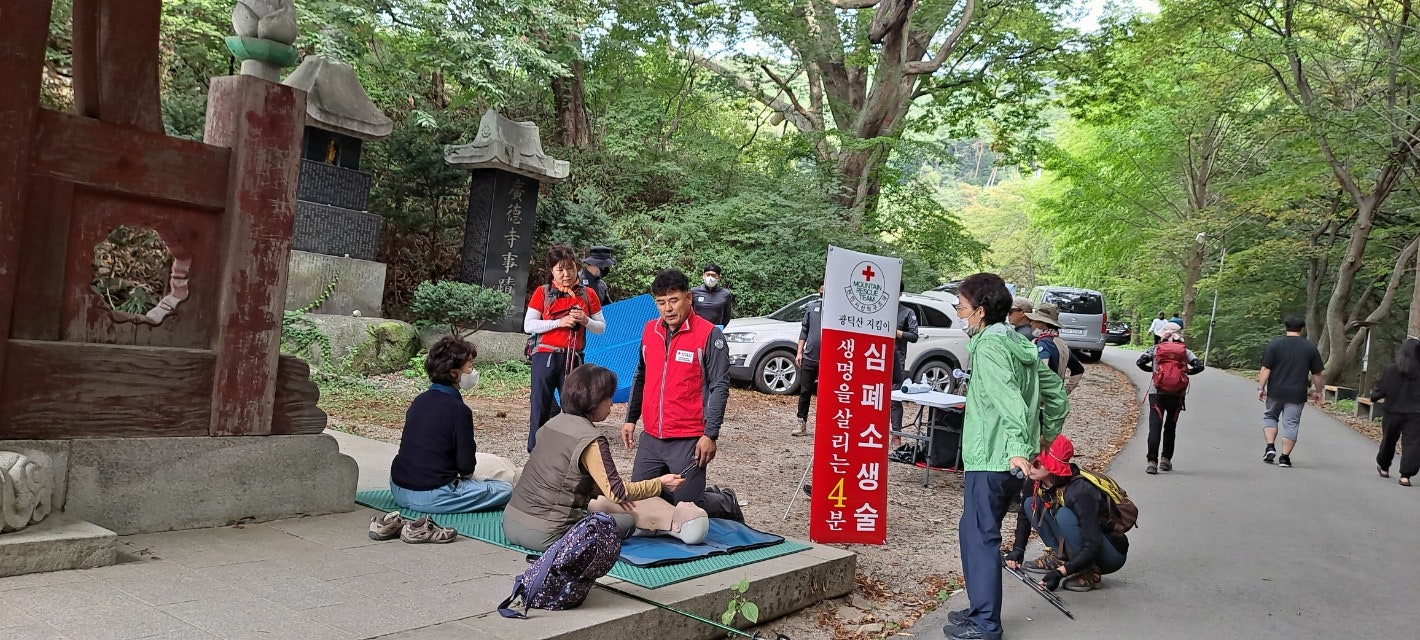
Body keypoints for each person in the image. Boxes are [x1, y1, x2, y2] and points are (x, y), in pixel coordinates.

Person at [942, 273, 1069, 640]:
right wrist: (1044, 438)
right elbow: (1057, 394)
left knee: (980, 537)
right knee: (975, 531)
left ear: (980, 311)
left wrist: (1017, 448)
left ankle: (986, 623)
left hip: (993, 457)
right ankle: (979, 609)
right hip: (1006, 460)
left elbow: (1009, 400)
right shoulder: (1018, 342)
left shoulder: (990, 347)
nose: (959, 313)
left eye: (962, 307)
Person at [503, 364, 687, 551]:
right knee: (626, 522)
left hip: (510, 523)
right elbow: (617, 493)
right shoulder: (591, 439)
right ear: (593, 401)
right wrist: (660, 483)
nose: (612, 404)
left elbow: (564, 478)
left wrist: (607, 492)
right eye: (608, 398)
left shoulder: (551, 424)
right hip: (547, 536)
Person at [621, 269, 737, 518]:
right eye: (661, 302)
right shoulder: (649, 330)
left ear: (688, 297)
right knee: (638, 504)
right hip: (652, 437)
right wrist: (630, 419)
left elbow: (719, 386)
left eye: (673, 300)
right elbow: (641, 375)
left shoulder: (708, 334)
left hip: (688, 439)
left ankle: (726, 502)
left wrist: (710, 434)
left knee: (686, 511)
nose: (668, 309)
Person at [389, 336, 513, 514]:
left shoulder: (419, 400)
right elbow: (466, 467)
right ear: (455, 373)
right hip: (432, 496)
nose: (473, 371)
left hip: (398, 488)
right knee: (505, 489)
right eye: (470, 366)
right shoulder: (459, 410)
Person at [1004, 436, 1129, 593]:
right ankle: (1062, 557)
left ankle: (1090, 572)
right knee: (1030, 504)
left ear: (1053, 467)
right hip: (1086, 545)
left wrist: (1061, 573)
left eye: (1036, 463)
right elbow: (1024, 515)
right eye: (1030, 460)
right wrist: (1018, 550)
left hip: (1110, 554)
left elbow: (1094, 543)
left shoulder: (1080, 491)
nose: (1030, 467)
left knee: (1064, 515)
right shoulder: (1036, 481)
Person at [524, 244, 607, 452]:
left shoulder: (588, 294)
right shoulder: (543, 292)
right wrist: (559, 323)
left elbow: (601, 328)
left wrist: (585, 320)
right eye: (559, 270)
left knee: (573, 407)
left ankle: (569, 451)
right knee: (540, 405)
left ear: (576, 267)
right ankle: (536, 450)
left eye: (570, 268)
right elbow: (529, 325)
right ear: (552, 271)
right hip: (545, 356)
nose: (566, 274)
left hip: (574, 358)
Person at [1134, 322, 1204, 474]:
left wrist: (1154, 372)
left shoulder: (1155, 349)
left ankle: (1152, 462)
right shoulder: (1185, 351)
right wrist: (1184, 374)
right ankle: (1166, 460)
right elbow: (1199, 366)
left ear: (1162, 335)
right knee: (1170, 427)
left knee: (1155, 427)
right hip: (1177, 393)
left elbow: (1140, 362)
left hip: (1157, 392)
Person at [1258, 315, 1325, 468]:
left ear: (1285, 327)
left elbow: (1266, 369)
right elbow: (1317, 374)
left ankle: (1270, 447)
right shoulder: (1309, 348)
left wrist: (1261, 388)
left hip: (1275, 391)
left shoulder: (1275, 344)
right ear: (1302, 329)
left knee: (1270, 416)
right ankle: (1284, 458)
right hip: (1297, 393)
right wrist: (1318, 392)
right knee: (1291, 424)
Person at [1370, 338, 1420, 486]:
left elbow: (1381, 389)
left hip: (1392, 411)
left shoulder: (1392, 369)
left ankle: (1384, 468)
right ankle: (1405, 476)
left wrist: (1374, 396)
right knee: (1413, 444)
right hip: (1416, 414)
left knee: (1388, 440)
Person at [1025, 302, 1085, 393]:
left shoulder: (1043, 343)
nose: (1031, 323)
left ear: (1042, 323)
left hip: (1043, 396)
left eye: (1033, 320)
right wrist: (1065, 391)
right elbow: (1078, 369)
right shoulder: (1062, 343)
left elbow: (1042, 370)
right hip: (1056, 396)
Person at [793, 284, 825, 437]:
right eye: (822, 286)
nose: (823, 289)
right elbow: (804, 330)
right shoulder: (813, 308)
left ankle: (825, 426)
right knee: (805, 391)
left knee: (826, 394)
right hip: (810, 356)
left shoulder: (837, 311)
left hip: (829, 360)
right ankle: (801, 422)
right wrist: (799, 352)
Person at [889, 284, 920, 435]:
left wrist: (895, 332)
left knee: (894, 399)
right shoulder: (879, 311)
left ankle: (897, 434)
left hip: (897, 361)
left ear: (900, 293)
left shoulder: (907, 312)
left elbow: (914, 336)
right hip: (874, 358)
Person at [690, 262, 735, 326]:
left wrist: (720, 328)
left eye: (713, 275)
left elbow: (727, 316)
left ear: (718, 277)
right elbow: (688, 312)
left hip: (715, 329)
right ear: (703, 275)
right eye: (708, 275)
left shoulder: (725, 294)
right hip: (697, 328)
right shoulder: (694, 291)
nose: (710, 278)